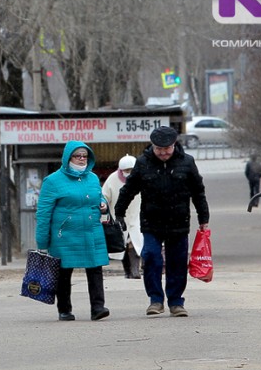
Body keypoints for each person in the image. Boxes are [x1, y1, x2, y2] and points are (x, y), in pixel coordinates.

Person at [115, 126, 210, 318]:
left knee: (177, 263)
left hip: (179, 221)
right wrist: (119, 213)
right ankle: (156, 300)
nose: (163, 153)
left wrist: (203, 219)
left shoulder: (187, 163)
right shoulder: (143, 163)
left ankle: (176, 302)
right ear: (153, 146)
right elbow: (128, 190)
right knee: (151, 258)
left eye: (167, 149)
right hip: (152, 222)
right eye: (159, 149)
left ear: (174, 145)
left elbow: (198, 192)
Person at [35, 141, 110, 322]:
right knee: (63, 273)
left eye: (85, 156)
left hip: (91, 231)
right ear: (68, 157)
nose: (82, 159)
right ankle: (65, 310)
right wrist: (42, 242)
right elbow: (43, 213)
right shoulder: (52, 181)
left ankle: (98, 308)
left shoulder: (92, 178)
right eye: (78, 156)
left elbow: (98, 197)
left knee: (95, 270)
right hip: (65, 235)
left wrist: (104, 205)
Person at [102, 154, 142, 279]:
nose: (129, 173)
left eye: (132, 170)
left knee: (136, 244)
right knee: (122, 245)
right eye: (126, 171)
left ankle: (135, 271)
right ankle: (128, 271)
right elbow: (104, 196)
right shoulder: (112, 179)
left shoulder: (142, 177)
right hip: (119, 217)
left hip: (137, 216)